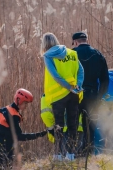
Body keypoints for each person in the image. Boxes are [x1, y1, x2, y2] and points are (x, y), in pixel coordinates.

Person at [41, 32, 84, 161]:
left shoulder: (47, 56)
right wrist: (78, 86)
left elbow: (55, 76)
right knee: (73, 124)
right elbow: (81, 70)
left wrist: (67, 86)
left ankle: (58, 155)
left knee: (59, 125)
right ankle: (71, 155)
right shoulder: (71, 53)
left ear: (44, 44)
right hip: (73, 94)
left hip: (58, 95)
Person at [72, 31, 109, 155]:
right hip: (93, 95)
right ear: (86, 40)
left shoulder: (72, 54)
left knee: (73, 124)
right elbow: (105, 79)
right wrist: (99, 97)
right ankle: (87, 152)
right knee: (90, 125)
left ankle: (72, 152)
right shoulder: (98, 54)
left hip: (75, 95)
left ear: (75, 42)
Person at [0, 88, 47, 166]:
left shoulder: (4, 109)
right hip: (4, 152)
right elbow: (19, 136)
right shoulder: (13, 115)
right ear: (19, 100)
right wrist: (39, 134)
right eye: (25, 103)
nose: (26, 106)